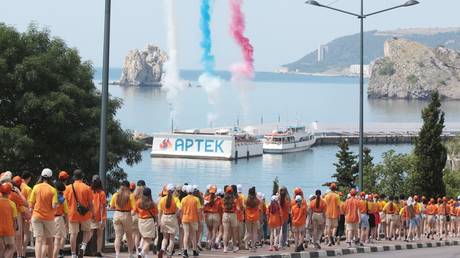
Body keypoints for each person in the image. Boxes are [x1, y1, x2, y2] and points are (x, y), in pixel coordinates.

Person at [64, 169, 93, 258]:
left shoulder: (68, 188)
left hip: (72, 213)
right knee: (87, 231)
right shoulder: (87, 188)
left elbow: (65, 202)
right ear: (82, 177)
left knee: (73, 234)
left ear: (74, 177)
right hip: (85, 214)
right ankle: (83, 246)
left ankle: (73, 254)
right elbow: (90, 204)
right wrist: (91, 212)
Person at [29, 168, 58, 258]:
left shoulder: (35, 187)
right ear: (51, 178)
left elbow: (31, 204)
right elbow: (54, 206)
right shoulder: (53, 190)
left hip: (36, 216)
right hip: (48, 218)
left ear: (41, 176)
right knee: (49, 241)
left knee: (38, 240)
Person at [158, 184, 181, 258]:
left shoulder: (162, 199)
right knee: (172, 238)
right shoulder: (176, 199)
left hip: (164, 217)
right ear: (173, 191)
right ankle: (169, 253)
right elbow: (180, 209)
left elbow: (160, 212)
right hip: (172, 217)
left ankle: (162, 249)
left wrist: (159, 221)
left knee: (165, 237)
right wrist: (176, 213)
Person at [135, 187, 158, 258]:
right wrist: (156, 222)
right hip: (149, 221)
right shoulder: (152, 203)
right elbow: (156, 214)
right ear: (150, 194)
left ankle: (142, 250)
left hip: (141, 221)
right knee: (149, 240)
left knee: (144, 237)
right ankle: (142, 252)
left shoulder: (138, 202)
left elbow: (136, 211)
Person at [10, 176, 29, 258]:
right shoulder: (15, 193)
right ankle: (20, 254)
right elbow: (26, 204)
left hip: (17, 215)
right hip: (18, 216)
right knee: (20, 236)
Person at [181, 185, 201, 257]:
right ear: (192, 191)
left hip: (185, 218)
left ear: (186, 191)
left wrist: (181, 219)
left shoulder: (183, 199)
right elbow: (198, 211)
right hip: (193, 218)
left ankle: (185, 251)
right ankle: (194, 250)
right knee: (193, 235)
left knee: (186, 235)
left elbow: (182, 210)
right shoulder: (196, 199)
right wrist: (199, 220)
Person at [90, 175, 107, 258]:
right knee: (100, 235)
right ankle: (98, 252)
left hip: (90, 216)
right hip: (99, 217)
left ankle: (84, 247)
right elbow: (103, 206)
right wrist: (103, 219)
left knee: (89, 234)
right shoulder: (102, 193)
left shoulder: (89, 191)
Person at [0, 182, 18, 258]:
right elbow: (14, 220)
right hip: (9, 230)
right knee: (11, 248)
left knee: (1, 249)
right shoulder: (12, 204)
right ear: (9, 192)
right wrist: (15, 231)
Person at [221, 186, 239, 253]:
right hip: (233, 215)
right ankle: (234, 247)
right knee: (234, 232)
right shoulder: (235, 199)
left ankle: (225, 248)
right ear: (232, 191)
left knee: (226, 232)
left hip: (225, 214)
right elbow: (238, 208)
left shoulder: (223, 199)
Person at [53, 181, 68, 258]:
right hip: (58, 219)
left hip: (48, 218)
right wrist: (67, 223)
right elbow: (66, 212)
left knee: (47, 242)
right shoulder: (62, 199)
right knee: (57, 241)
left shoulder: (51, 196)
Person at [203, 185, 221, 250]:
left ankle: (208, 242)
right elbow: (220, 209)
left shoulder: (206, 198)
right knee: (214, 232)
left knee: (209, 231)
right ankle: (211, 244)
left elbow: (204, 208)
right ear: (215, 191)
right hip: (216, 215)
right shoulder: (218, 199)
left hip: (208, 215)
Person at [20, 171, 33, 258]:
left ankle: (18, 252)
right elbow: (29, 204)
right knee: (25, 233)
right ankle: (23, 253)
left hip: (16, 212)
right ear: (28, 178)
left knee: (18, 233)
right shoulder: (28, 189)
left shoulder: (16, 185)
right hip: (25, 212)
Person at [244, 186, 260, 252]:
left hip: (248, 217)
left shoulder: (246, 200)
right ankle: (253, 247)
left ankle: (244, 239)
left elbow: (244, 207)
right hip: (255, 217)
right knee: (254, 233)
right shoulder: (257, 201)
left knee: (249, 232)